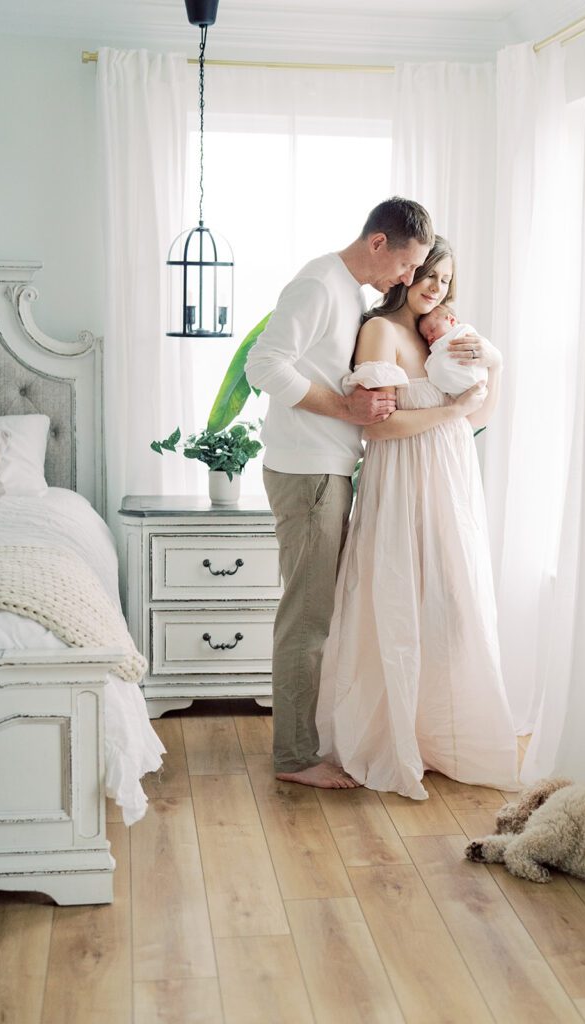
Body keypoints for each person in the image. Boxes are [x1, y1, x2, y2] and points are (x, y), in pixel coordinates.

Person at [316, 236, 518, 800]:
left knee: (452, 600)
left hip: (450, 476)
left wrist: (491, 369)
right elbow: (377, 428)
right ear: (406, 271)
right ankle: (392, 734)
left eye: (446, 280)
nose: (437, 287)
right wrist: (451, 409)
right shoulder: (381, 331)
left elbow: (479, 415)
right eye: (430, 274)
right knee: (399, 600)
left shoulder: (444, 334)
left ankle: (437, 732)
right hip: (403, 477)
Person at [245, 197, 435, 790]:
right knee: (306, 618)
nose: (408, 279)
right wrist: (347, 407)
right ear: (379, 243)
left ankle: (303, 745)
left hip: (323, 468)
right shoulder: (319, 285)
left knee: (315, 615)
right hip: (308, 474)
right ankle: (295, 758)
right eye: (406, 265)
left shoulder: (346, 290)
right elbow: (263, 366)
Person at [417, 302, 488, 395]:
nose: (430, 337)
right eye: (426, 337)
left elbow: (482, 349)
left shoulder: (463, 331)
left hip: (475, 377)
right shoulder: (436, 349)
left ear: (451, 320)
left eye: (432, 329)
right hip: (457, 391)